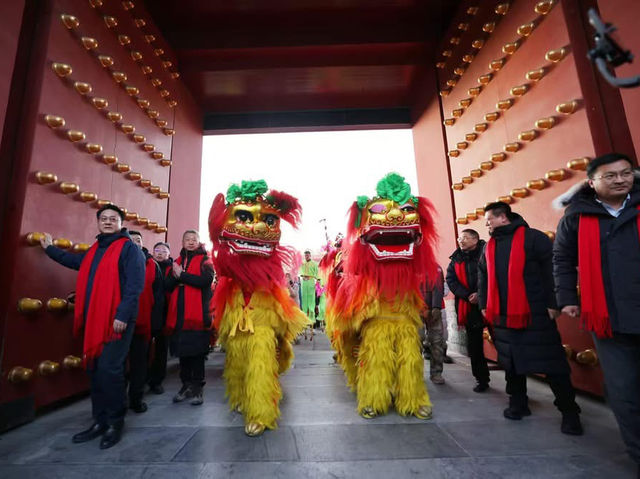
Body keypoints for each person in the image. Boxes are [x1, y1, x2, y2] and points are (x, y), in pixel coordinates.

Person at [553, 152, 640, 471]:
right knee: (623, 390)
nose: (620, 179)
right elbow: (561, 259)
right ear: (591, 182)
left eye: (626, 173)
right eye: (610, 175)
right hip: (609, 316)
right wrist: (566, 297)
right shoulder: (576, 216)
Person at [40, 204, 145, 449]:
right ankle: (99, 421)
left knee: (110, 370)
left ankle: (114, 423)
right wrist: (49, 249)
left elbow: (134, 287)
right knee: (95, 370)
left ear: (121, 223)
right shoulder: (96, 249)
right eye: (104, 218)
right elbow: (74, 261)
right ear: (98, 223)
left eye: (113, 219)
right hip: (96, 319)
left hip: (118, 320)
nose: (108, 222)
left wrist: (122, 315)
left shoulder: (129, 249)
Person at [478, 201, 582, 435]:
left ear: (503, 217)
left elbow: (551, 271)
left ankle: (569, 412)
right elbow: (482, 277)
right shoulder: (489, 247)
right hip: (502, 315)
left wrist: (553, 303)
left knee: (553, 364)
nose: (487, 225)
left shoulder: (534, 238)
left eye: (489, 220)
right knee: (511, 363)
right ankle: (518, 404)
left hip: (535, 313)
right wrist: (484, 304)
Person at [164, 230, 214, 406]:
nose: (191, 242)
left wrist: (182, 276)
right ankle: (185, 386)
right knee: (183, 354)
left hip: (199, 315)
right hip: (179, 315)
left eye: (194, 239)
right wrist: (177, 276)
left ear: (199, 242)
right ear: (183, 242)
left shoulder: (205, 261)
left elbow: (205, 281)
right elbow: (167, 285)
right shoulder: (177, 262)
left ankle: (198, 389)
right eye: (187, 239)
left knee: (198, 354)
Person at [446, 228, 490, 392]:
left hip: (491, 303)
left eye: (464, 238)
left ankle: (514, 381)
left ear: (475, 239)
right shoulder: (456, 258)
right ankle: (482, 379)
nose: (460, 241)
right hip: (468, 306)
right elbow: (451, 279)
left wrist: (481, 294)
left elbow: (493, 275)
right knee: (475, 346)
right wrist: (467, 295)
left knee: (503, 342)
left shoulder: (487, 252)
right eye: (459, 238)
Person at [127, 231, 164, 412]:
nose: (135, 243)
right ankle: (118, 400)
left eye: (138, 240)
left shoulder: (152, 265)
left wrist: (156, 323)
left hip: (143, 322)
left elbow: (158, 297)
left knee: (139, 363)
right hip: (120, 322)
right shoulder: (120, 262)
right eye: (131, 240)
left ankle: (136, 398)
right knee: (118, 364)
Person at [147, 242, 173, 394]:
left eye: (164, 251)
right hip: (148, 313)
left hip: (165, 314)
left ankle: (157, 381)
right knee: (143, 349)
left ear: (169, 254)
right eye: (157, 250)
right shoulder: (146, 265)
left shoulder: (172, 269)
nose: (160, 253)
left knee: (161, 351)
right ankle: (143, 378)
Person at [421, 267, 446, 384]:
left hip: (433, 310)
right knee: (415, 342)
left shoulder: (435, 268)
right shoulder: (409, 265)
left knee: (437, 342)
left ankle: (436, 373)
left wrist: (436, 306)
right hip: (416, 310)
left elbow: (439, 287)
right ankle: (415, 373)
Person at [300, 249, 318, 324]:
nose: (306, 256)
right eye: (305, 255)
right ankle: (304, 319)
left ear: (310, 255)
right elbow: (300, 272)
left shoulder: (314, 263)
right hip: (304, 282)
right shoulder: (302, 263)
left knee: (311, 299)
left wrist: (316, 280)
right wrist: (302, 276)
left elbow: (317, 273)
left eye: (307, 255)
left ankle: (311, 320)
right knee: (304, 299)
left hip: (310, 281)